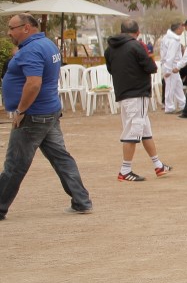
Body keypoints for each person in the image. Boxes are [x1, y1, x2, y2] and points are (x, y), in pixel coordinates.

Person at [1, 13, 93, 218]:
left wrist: (21, 110)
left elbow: (34, 83)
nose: (9, 32)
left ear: (26, 28)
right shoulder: (47, 44)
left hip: (33, 115)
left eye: (12, 28)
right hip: (49, 111)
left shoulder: (31, 50)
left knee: (15, 165)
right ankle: (81, 201)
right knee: (61, 158)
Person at [105, 19, 171, 181]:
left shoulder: (110, 49)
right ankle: (125, 170)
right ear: (138, 32)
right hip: (137, 94)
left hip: (123, 93)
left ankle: (158, 165)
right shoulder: (136, 46)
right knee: (132, 132)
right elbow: (151, 67)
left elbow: (110, 69)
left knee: (145, 130)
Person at [158, 22, 185, 112]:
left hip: (171, 64)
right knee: (170, 87)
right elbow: (170, 56)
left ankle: (183, 104)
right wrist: (168, 70)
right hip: (171, 65)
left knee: (178, 85)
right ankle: (169, 107)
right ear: (177, 29)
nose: (182, 30)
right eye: (181, 29)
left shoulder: (166, 38)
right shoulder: (174, 40)